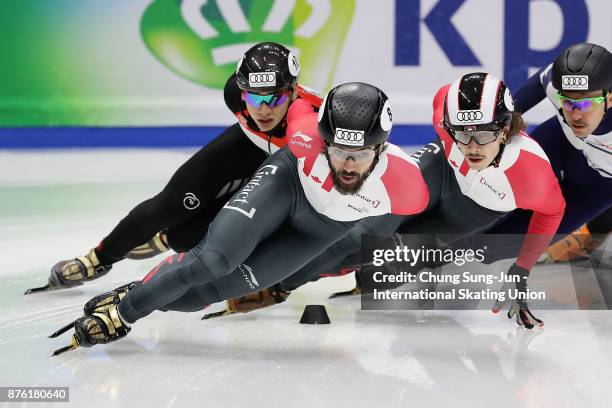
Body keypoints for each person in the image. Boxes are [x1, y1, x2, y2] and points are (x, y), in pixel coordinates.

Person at [50, 82, 431, 354]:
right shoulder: (302, 135)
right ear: (322, 137)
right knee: (214, 259)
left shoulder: (409, 189)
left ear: (382, 147)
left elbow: (381, 239)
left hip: (318, 231)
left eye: (361, 153)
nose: (347, 164)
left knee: (210, 292)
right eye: (336, 149)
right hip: (286, 187)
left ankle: (138, 293)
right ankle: (122, 313)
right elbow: (291, 99)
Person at [205, 73, 566, 329]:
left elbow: (553, 213)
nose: (470, 146)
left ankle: (358, 274)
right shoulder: (448, 119)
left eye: (483, 135)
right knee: (356, 234)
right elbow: (443, 95)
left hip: (472, 210)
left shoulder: (531, 174)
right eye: (461, 133)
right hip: (437, 171)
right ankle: (276, 284)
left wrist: (521, 270)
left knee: (386, 255)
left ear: (504, 129)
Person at [26, 42, 322, 293]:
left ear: (294, 92)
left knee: (201, 235)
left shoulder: (316, 125)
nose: (263, 109)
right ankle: (97, 259)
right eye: (254, 97)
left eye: (275, 97)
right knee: (169, 206)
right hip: (247, 145)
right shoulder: (235, 95)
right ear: (242, 92)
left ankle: (170, 240)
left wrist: (370, 280)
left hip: (290, 164)